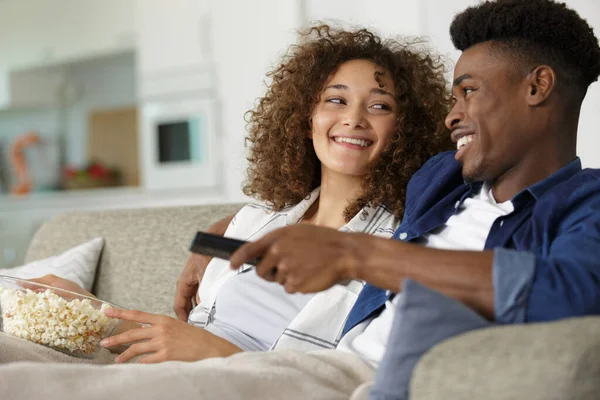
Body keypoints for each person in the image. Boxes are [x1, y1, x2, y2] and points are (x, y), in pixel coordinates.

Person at [3, 1, 599, 399]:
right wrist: (215, 239)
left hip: (336, 377)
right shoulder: (443, 181)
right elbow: (327, 192)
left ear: (538, 87)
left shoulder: (583, 201)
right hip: (302, 363)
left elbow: (570, 288)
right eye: (334, 100)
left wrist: (356, 257)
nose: (451, 115)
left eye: (467, 92)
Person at [4, 24, 451, 365]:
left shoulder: (397, 246)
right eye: (336, 100)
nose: (354, 118)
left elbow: (341, 372)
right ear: (305, 117)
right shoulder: (255, 222)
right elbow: (182, 335)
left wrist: (211, 351)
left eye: (379, 105)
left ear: (403, 129)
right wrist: (94, 309)